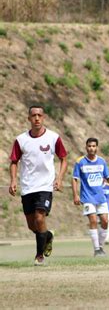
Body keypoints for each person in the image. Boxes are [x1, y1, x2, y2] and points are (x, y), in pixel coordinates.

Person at [9, 105, 68, 266]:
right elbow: (14, 162)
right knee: (31, 224)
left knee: (39, 217)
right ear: (29, 118)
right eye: (33, 115)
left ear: (44, 118)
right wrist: (13, 180)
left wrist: (60, 178)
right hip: (27, 186)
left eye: (39, 115)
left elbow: (63, 158)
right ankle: (47, 236)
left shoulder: (53, 138)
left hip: (45, 186)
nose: (36, 118)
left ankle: (39, 256)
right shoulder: (21, 140)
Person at [72, 138, 109, 257]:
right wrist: (75, 194)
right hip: (87, 197)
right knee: (93, 221)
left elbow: (108, 177)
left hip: (100, 197)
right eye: (89, 146)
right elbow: (75, 179)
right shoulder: (80, 162)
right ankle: (96, 249)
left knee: (105, 221)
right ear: (86, 147)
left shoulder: (102, 161)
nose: (91, 148)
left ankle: (100, 247)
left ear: (97, 147)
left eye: (94, 146)